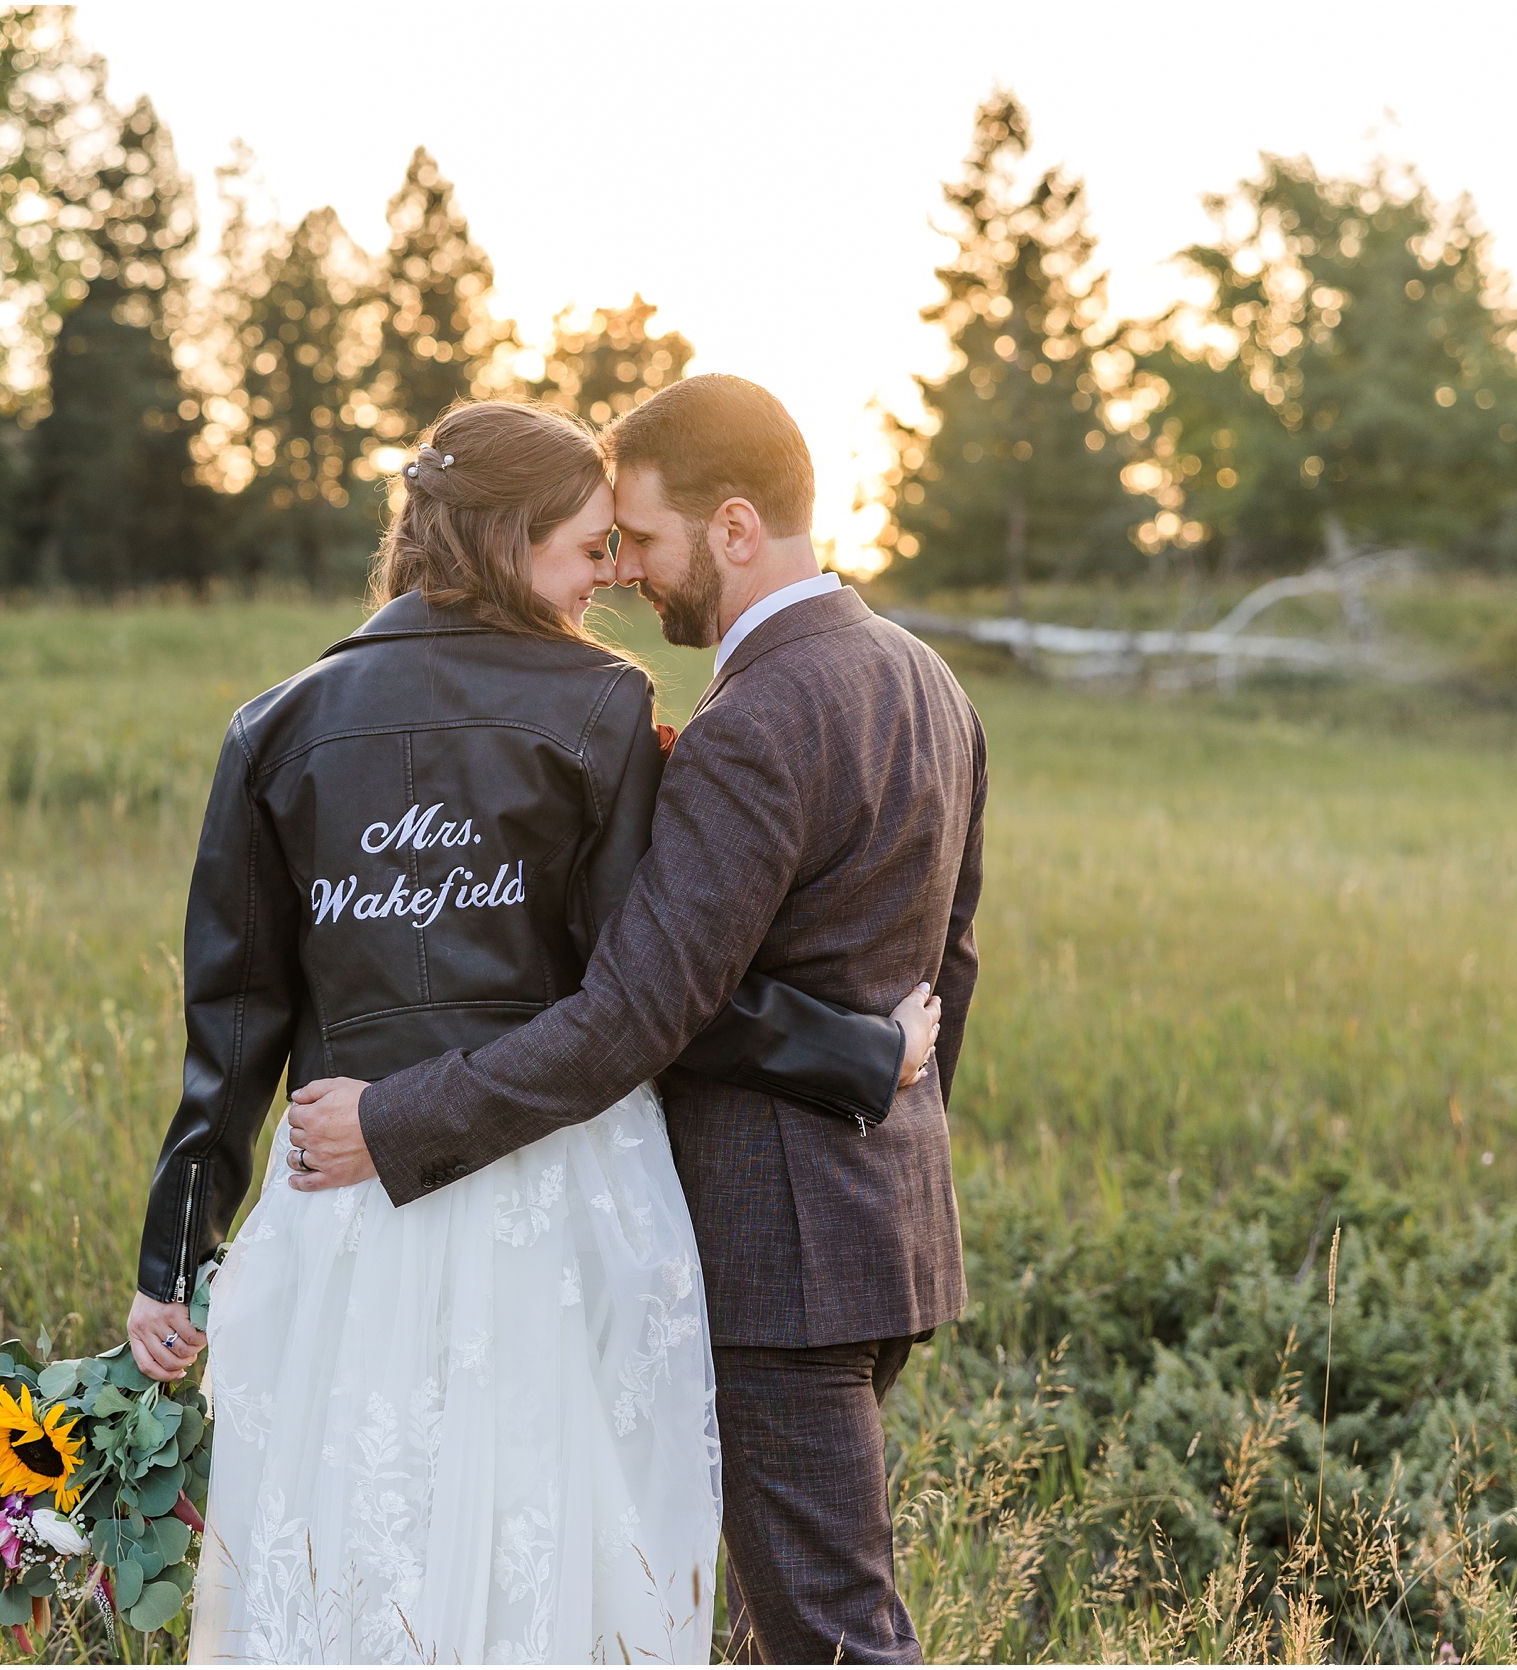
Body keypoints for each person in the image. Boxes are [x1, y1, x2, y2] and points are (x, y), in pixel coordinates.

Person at [123, 398, 936, 1665]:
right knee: (553, 1565)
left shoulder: (273, 723)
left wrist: (172, 1254)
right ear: (506, 541)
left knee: (357, 1554)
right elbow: (654, 994)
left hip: (340, 1202)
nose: (609, 573)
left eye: (621, 542)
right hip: (562, 1199)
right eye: (586, 545)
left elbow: (230, 1023)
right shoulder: (605, 708)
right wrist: (855, 1052)